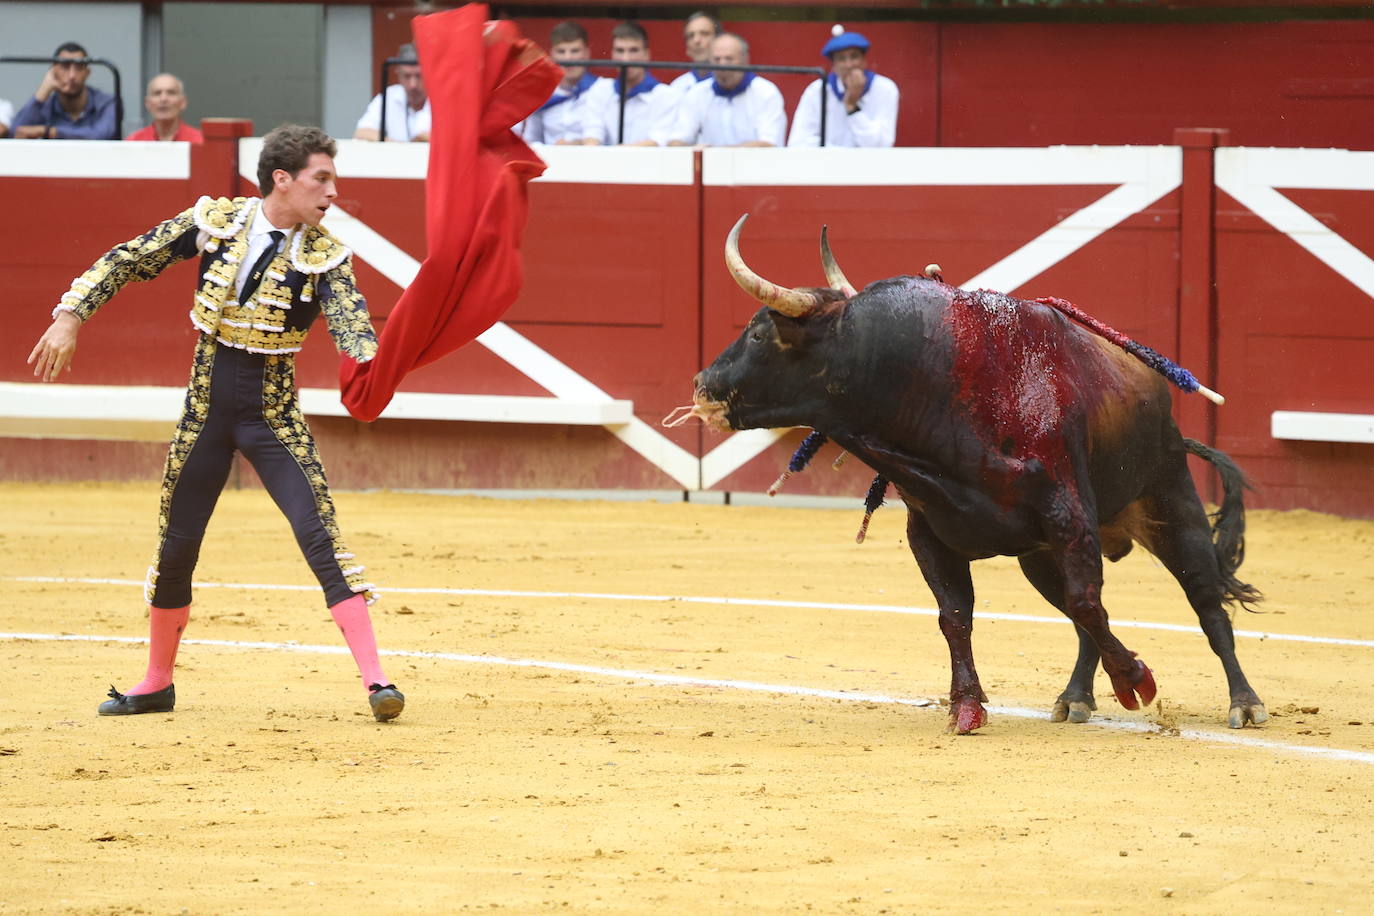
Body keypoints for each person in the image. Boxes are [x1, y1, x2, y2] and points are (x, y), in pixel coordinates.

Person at [27, 124, 405, 723]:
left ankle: (377, 681)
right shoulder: (217, 223)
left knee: (319, 533)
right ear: (283, 179)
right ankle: (156, 683)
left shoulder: (325, 256)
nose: (333, 192)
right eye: (322, 178)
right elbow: (131, 257)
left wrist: (375, 358)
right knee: (177, 544)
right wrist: (70, 315)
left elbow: (351, 324)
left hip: (274, 416)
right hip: (205, 409)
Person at [667, 33, 786, 148]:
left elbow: (769, 144)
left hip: (754, 162)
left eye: (729, 58)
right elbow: (676, 141)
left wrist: (715, 152)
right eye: (717, 59)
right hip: (708, 162)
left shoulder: (766, 92)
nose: (722, 64)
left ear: (745, 59)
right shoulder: (697, 93)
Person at [787, 28, 899, 148]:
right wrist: (840, 155)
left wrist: (852, 107)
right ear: (834, 66)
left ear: (864, 61)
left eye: (854, 57)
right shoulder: (817, 90)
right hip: (826, 160)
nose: (849, 65)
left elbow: (881, 146)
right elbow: (798, 143)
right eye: (841, 59)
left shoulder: (885, 89)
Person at [582, 21, 677, 146]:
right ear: (612, 54)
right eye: (620, 51)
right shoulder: (600, 90)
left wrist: (620, 153)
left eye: (633, 50)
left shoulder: (666, 96)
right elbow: (592, 134)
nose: (626, 59)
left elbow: (658, 141)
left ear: (646, 54)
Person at [10, 41, 119, 140]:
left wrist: (49, 131)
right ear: (53, 71)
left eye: (78, 68)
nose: (72, 75)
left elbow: (102, 135)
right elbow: (16, 134)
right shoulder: (45, 107)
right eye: (65, 67)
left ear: (87, 73)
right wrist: (42, 92)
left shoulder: (107, 103)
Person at [515, 21, 601, 145]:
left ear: (587, 53)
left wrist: (573, 146)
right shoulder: (541, 93)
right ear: (552, 55)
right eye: (561, 51)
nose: (568, 58)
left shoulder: (602, 89)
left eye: (575, 51)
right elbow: (531, 140)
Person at [354, 43, 431, 142]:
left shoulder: (443, 99)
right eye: (407, 76)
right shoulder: (389, 96)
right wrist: (396, 147)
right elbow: (361, 132)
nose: (413, 85)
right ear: (398, 73)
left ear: (429, 73)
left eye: (419, 76)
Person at [125, 73, 204, 143]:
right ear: (147, 103)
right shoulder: (133, 143)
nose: (163, 99)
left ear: (183, 102)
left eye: (171, 93)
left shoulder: (200, 142)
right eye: (157, 93)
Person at [668, 11, 721, 97]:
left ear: (720, 40)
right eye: (690, 36)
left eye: (704, 34)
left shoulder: (731, 83)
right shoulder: (677, 87)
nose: (696, 40)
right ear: (687, 48)